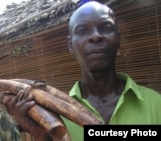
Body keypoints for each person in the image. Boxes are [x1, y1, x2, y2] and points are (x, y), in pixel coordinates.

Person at [61, 1, 161, 141]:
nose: (96, 36)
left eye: (106, 27)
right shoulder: (59, 116)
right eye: (82, 30)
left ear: (118, 38)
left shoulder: (156, 104)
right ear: (70, 45)